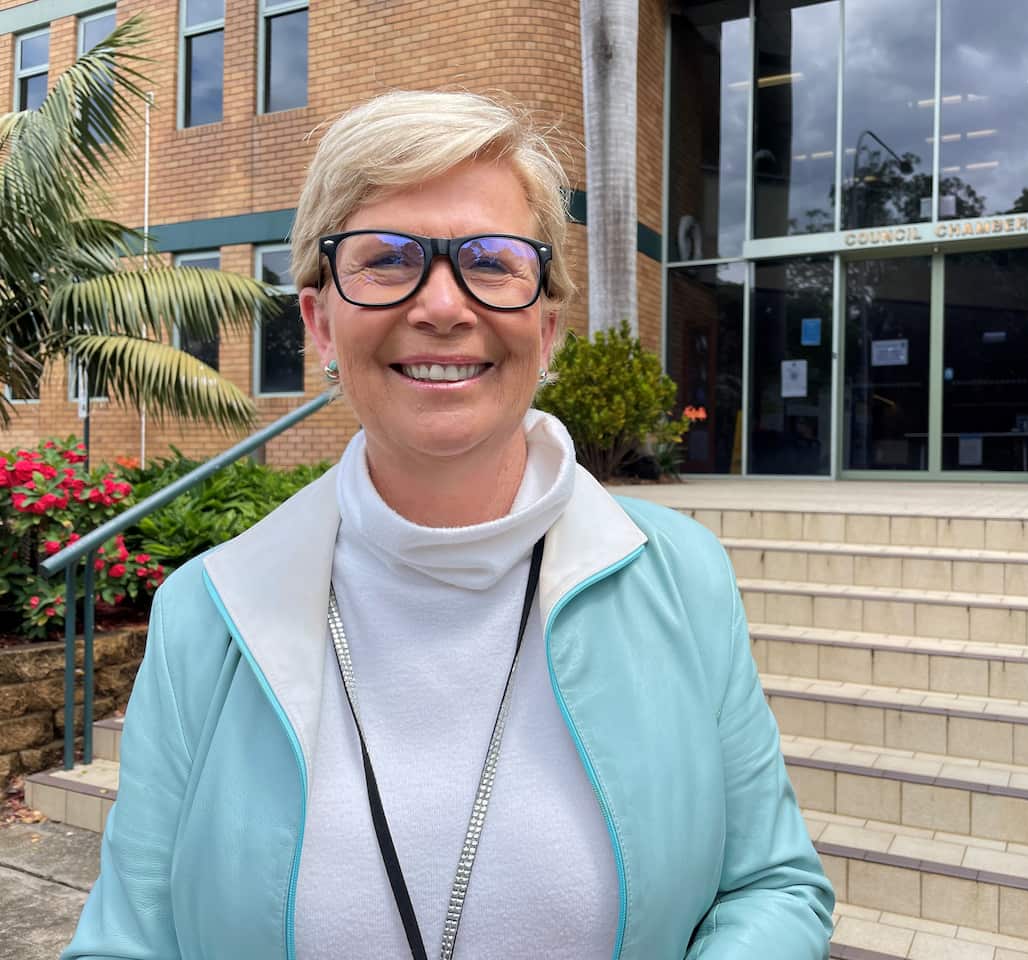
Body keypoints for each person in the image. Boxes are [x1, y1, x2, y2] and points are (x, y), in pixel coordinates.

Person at [63, 91, 834, 960]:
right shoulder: (208, 611)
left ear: (545, 329)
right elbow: (125, 941)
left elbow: (770, 886)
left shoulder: (683, 576)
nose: (441, 305)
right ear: (319, 319)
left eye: (493, 261)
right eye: (386, 259)